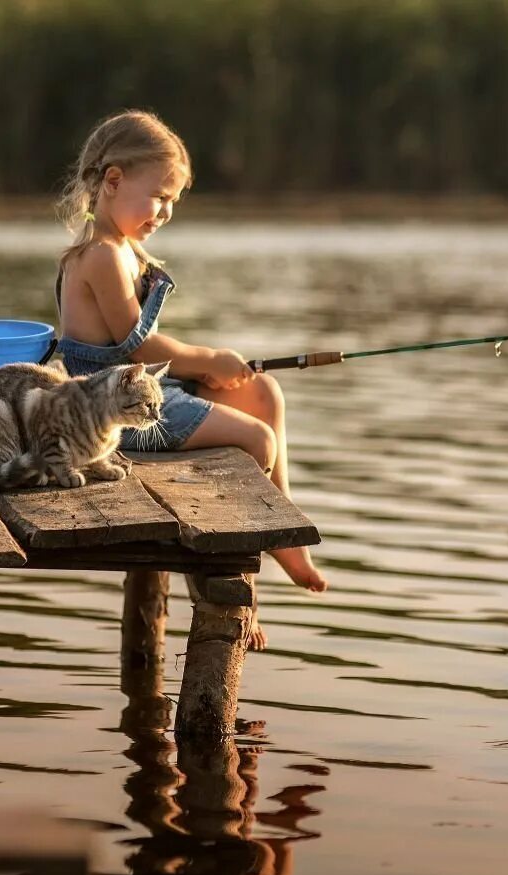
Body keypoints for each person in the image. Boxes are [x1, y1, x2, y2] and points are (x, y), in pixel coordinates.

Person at [53, 109, 326, 593]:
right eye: (159, 197)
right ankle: (230, 568)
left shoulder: (121, 245)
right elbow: (139, 347)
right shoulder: (100, 255)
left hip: (141, 387)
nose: (166, 212)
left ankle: (287, 536)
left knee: (263, 393)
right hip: (116, 413)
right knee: (259, 441)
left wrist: (210, 368)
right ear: (113, 180)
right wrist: (210, 359)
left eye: (173, 201)